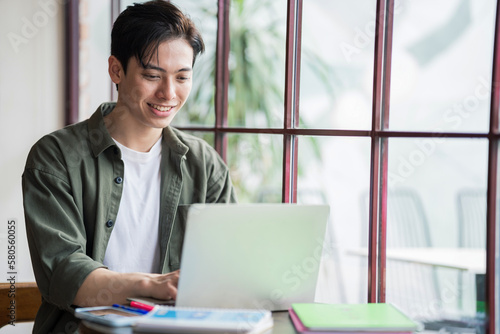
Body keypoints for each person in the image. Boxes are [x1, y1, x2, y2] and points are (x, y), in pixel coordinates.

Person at [22, 1, 237, 332]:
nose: (168, 93)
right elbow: (63, 273)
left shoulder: (205, 165)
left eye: (182, 77)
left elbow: (227, 268)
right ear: (116, 70)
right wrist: (152, 285)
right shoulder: (54, 158)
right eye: (152, 75)